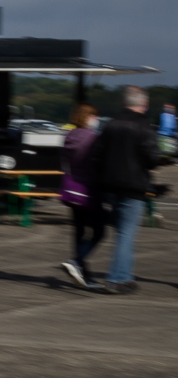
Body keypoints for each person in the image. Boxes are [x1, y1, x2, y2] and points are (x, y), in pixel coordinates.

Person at [92, 86, 162, 294]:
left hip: (110, 186)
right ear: (143, 104)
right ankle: (116, 279)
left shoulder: (110, 124)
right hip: (134, 186)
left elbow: (97, 155)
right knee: (126, 234)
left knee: (123, 232)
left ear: (124, 103)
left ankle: (126, 276)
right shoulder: (145, 126)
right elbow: (152, 159)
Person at [58, 103, 105, 287]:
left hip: (71, 190)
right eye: (94, 116)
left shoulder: (68, 136)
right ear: (87, 117)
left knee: (78, 231)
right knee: (99, 232)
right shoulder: (94, 138)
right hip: (89, 189)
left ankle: (84, 275)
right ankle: (76, 262)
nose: (97, 119)